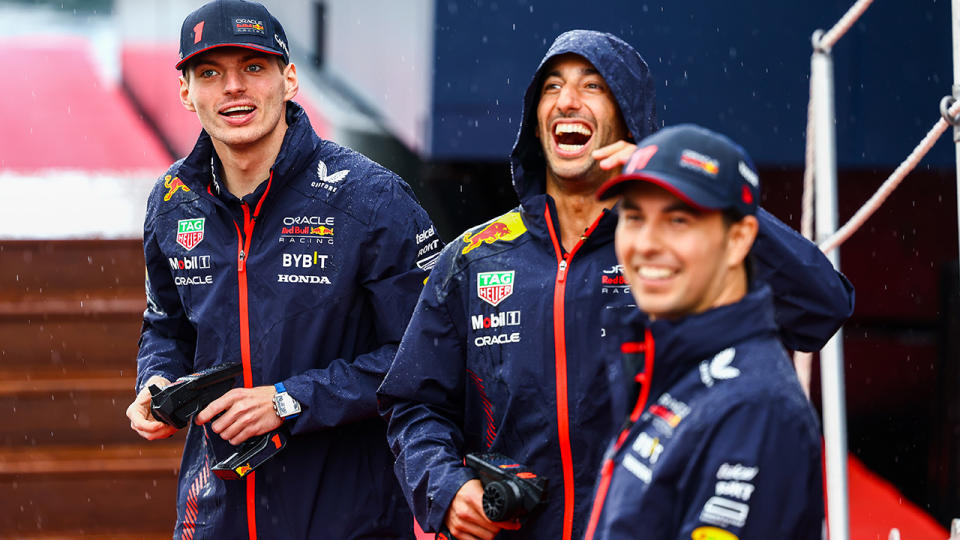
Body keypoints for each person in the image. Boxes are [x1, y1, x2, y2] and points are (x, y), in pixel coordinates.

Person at [377, 30, 852, 540]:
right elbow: (414, 403)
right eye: (552, 87)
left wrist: (699, 196)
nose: (567, 101)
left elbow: (821, 305)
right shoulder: (474, 256)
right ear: (534, 124)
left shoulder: (669, 262)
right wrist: (446, 488)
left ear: (630, 118)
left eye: (593, 86)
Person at [124, 1, 440, 538]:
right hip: (213, 516)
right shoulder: (172, 201)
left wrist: (289, 400)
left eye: (253, 67)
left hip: (346, 517)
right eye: (209, 73)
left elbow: (423, 362)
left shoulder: (374, 200)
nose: (232, 89)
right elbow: (167, 325)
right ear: (186, 92)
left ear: (289, 79)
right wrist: (155, 382)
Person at [582, 124, 824, 539]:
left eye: (678, 220)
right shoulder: (676, 366)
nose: (646, 244)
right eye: (634, 217)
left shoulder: (755, 408)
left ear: (738, 239)